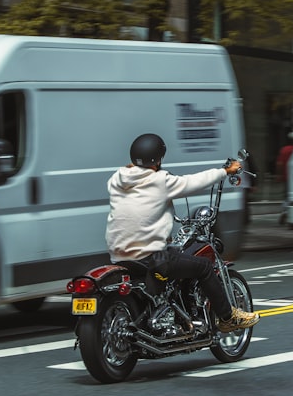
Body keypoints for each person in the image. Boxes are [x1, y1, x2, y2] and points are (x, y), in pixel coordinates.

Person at [105, 133, 260, 333]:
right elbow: (193, 182)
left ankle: (165, 307)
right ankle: (228, 317)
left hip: (119, 256)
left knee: (173, 258)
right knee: (204, 266)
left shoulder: (117, 180)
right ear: (158, 158)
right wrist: (224, 171)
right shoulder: (159, 181)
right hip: (151, 255)